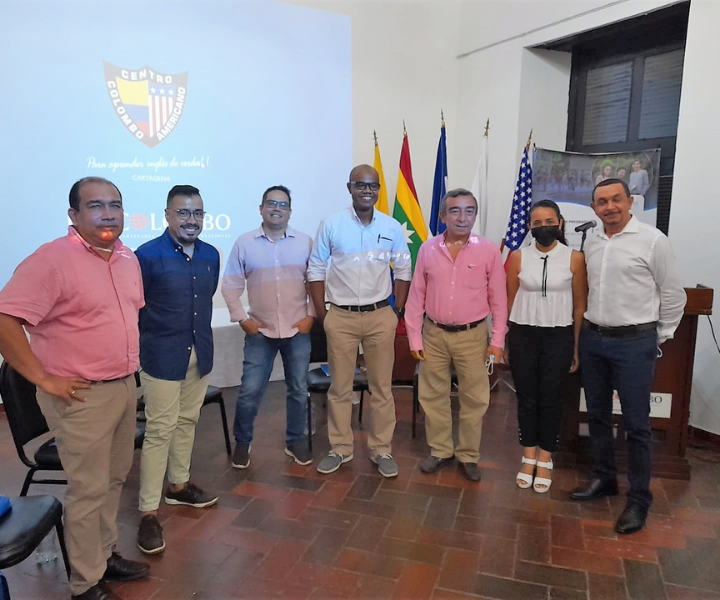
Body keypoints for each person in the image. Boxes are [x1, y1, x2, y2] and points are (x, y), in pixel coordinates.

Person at [0, 177, 149, 600]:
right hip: (80, 395)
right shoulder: (51, 260)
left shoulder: (126, 258)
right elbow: (5, 320)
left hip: (122, 387)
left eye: (115, 205)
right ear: (74, 215)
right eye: (96, 206)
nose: (108, 214)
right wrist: (43, 379)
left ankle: (103, 558)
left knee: (114, 480)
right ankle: (85, 584)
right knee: (87, 490)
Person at [569, 178, 686, 535]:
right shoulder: (592, 241)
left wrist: (658, 338)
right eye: (602, 202)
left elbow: (673, 294)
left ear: (630, 201)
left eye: (616, 199)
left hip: (635, 342)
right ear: (594, 209)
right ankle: (604, 479)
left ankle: (639, 499)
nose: (609, 207)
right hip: (594, 339)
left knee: (636, 425)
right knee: (599, 416)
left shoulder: (653, 241)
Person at [308, 165, 411, 478]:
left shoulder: (392, 227)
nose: (367, 191)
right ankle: (340, 448)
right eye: (360, 185)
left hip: (381, 315)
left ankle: (382, 449)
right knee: (340, 389)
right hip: (341, 317)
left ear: (378, 190)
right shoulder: (332, 225)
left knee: (382, 388)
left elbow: (404, 269)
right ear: (349, 188)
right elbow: (315, 269)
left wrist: (397, 311)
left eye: (373, 186)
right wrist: (324, 316)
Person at [135, 185, 220, 556]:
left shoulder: (210, 255)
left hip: (198, 354)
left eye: (197, 213)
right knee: (159, 431)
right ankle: (148, 512)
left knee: (187, 422)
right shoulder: (146, 256)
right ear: (167, 215)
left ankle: (179, 486)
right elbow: (136, 308)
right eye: (183, 213)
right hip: (161, 357)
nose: (191, 220)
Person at [405, 188, 507, 482]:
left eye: (469, 211)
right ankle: (440, 450)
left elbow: (499, 301)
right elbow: (416, 297)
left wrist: (497, 340)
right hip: (433, 335)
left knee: (474, 397)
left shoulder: (488, 250)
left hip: (472, 336)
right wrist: (414, 338)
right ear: (442, 216)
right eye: (455, 211)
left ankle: (468, 455)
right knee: (432, 394)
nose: (463, 217)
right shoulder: (427, 249)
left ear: (475, 215)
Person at [222, 185, 315, 469]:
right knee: (250, 390)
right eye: (271, 203)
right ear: (261, 208)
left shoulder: (305, 242)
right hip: (260, 331)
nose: (277, 208)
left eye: (283, 204)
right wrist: (242, 318)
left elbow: (317, 284)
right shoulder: (244, 243)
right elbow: (230, 285)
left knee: (298, 389)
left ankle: (295, 440)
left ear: (289, 211)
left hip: (296, 329)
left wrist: (311, 316)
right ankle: (243, 442)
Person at [505, 199, 587, 493]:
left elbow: (579, 307)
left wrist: (576, 347)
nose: (543, 228)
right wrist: (505, 337)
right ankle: (528, 457)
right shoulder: (517, 257)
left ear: (560, 223)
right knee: (527, 398)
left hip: (559, 336)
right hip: (523, 335)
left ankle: (546, 458)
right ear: (529, 227)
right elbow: (510, 300)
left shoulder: (574, 258)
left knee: (552, 398)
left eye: (549, 222)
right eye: (537, 223)